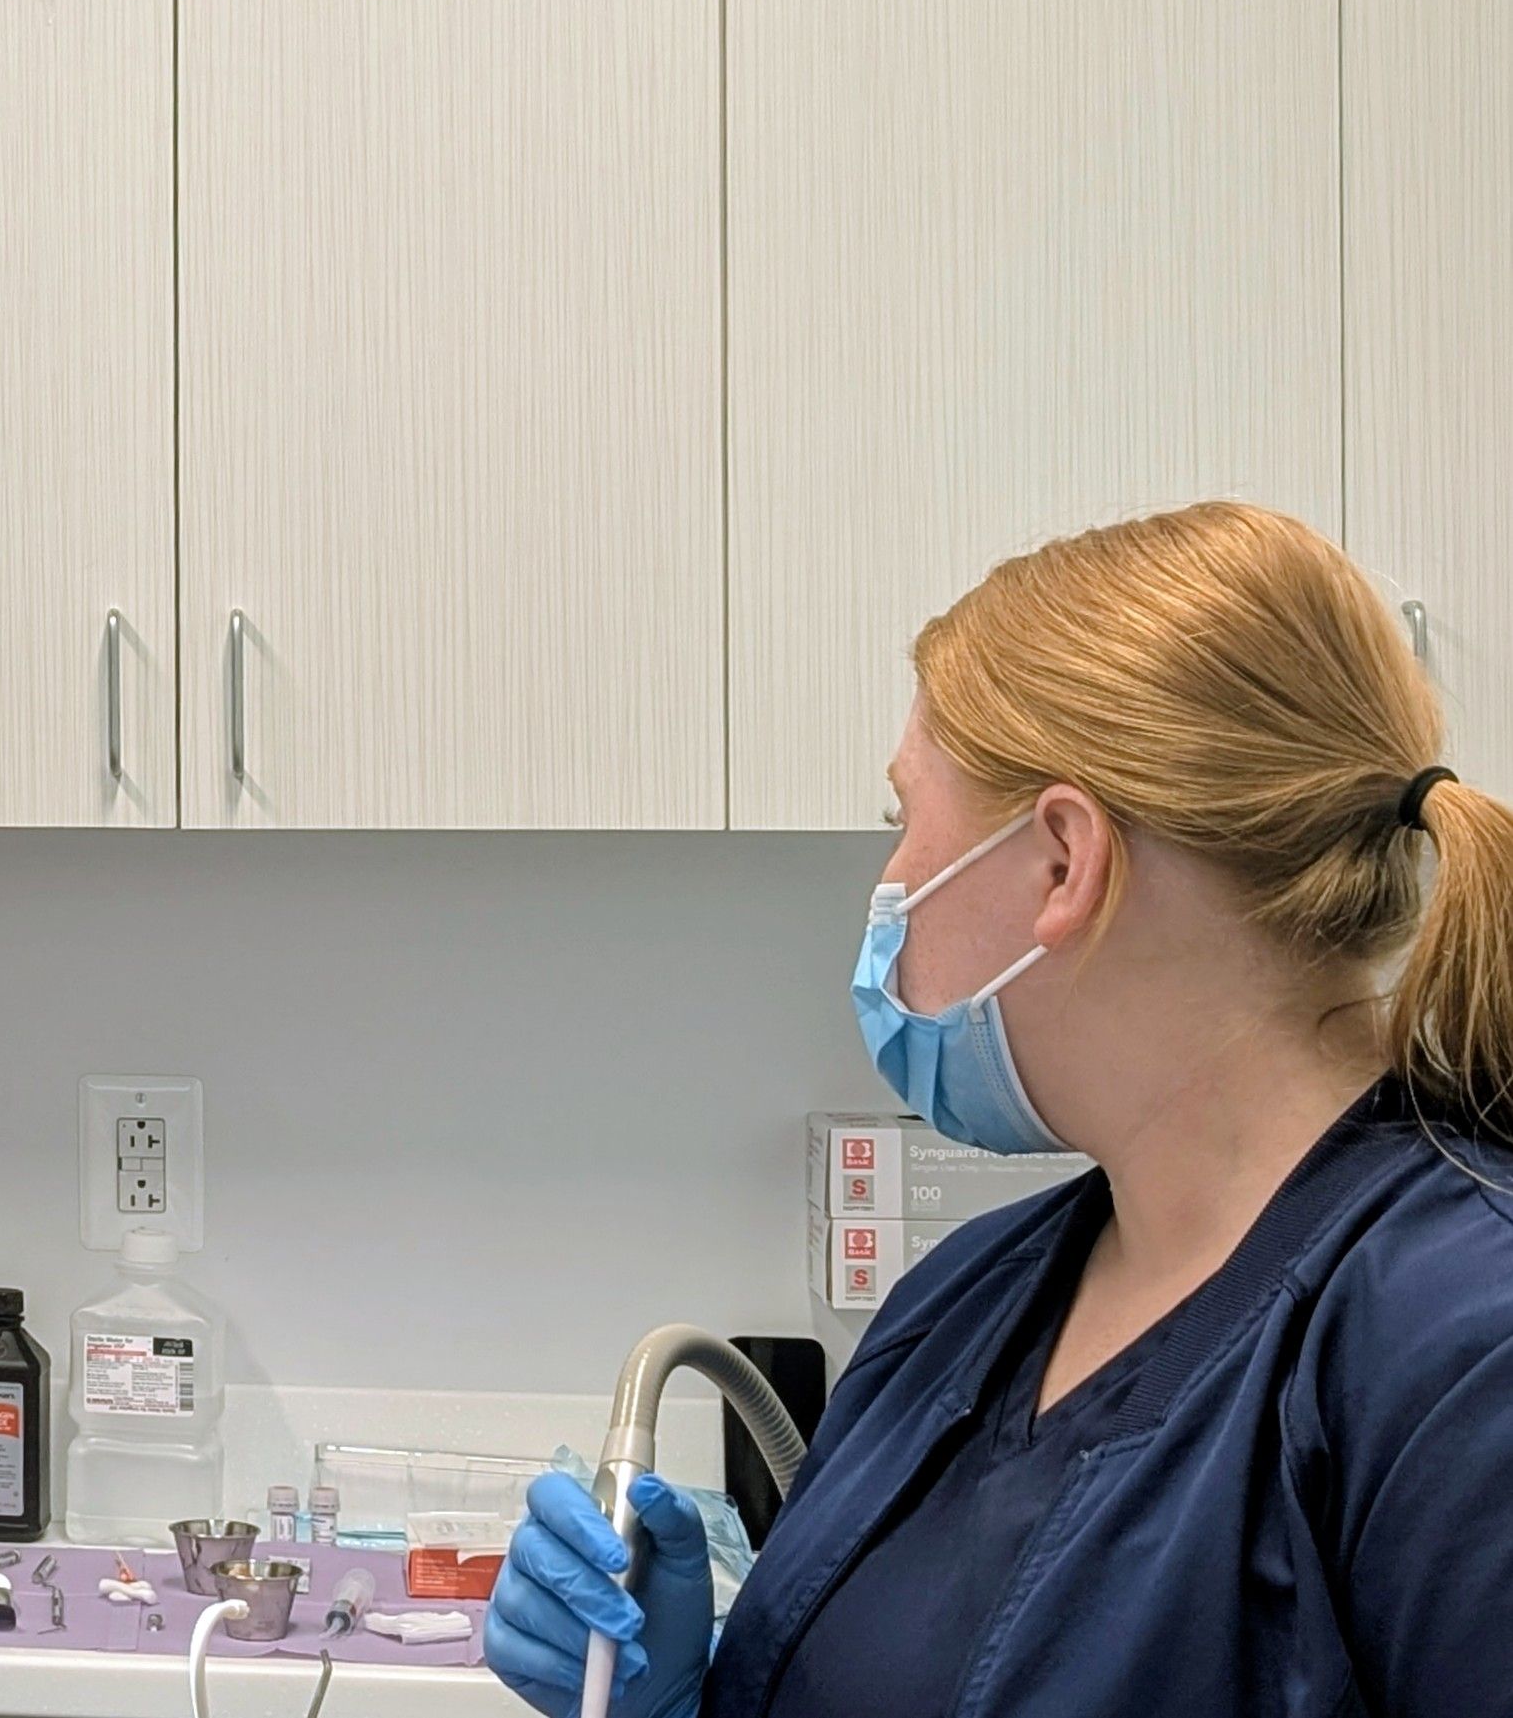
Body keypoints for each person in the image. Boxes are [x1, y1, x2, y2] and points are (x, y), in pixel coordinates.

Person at [488, 500, 1513, 1718]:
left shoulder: (1460, 1343)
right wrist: (682, 1700)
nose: (888, 888)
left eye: (904, 821)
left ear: (1062, 861)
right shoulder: (966, 1301)